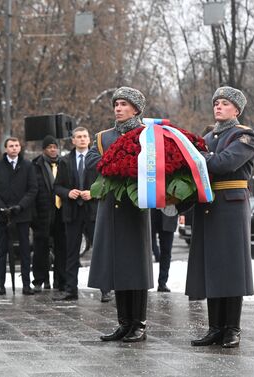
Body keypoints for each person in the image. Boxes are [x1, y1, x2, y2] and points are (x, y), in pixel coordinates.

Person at [186, 86, 254, 348]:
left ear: (236, 110)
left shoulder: (245, 135)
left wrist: (203, 157)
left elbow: (223, 163)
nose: (218, 107)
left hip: (231, 206)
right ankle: (215, 327)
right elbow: (204, 163)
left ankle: (232, 329)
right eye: (216, 103)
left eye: (225, 103)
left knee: (231, 268)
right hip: (209, 205)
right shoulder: (207, 137)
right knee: (212, 267)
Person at [86, 87, 153, 342]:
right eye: (116, 104)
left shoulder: (146, 135)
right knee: (117, 267)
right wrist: (115, 163)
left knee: (136, 267)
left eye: (124, 104)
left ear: (136, 109)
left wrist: (115, 165)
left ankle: (139, 324)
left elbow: (150, 164)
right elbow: (92, 161)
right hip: (110, 207)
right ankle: (124, 323)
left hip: (134, 207)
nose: (118, 108)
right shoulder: (104, 137)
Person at [53, 128, 100, 301]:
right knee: (71, 252)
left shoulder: (97, 159)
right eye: (78, 137)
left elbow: (105, 185)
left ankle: (105, 290)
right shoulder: (64, 161)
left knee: (99, 251)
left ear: (89, 139)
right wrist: (67, 193)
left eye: (85, 136)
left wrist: (93, 193)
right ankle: (70, 289)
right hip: (72, 212)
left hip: (92, 211)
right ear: (72, 140)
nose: (82, 139)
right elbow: (57, 186)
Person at [0, 137, 37, 295]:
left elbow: (32, 189)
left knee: (24, 251)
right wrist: (2, 207)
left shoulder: (28, 166)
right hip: (3, 216)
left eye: (16, 145)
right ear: (6, 148)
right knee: (1, 251)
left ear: (20, 148)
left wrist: (20, 206)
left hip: (22, 215)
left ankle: (26, 285)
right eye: (11, 146)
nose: (14, 148)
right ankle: (1, 285)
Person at [31, 135, 64, 292]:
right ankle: (40, 280)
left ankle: (59, 280)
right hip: (42, 213)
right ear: (44, 149)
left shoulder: (64, 164)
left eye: (55, 147)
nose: (53, 150)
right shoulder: (35, 165)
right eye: (50, 147)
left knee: (61, 248)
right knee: (40, 248)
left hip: (61, 212)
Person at [150, 209, 178, 292]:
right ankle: (144, 282)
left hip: (169, 213)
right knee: (145, 247)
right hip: (151, 211)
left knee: (166, 251)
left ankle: (162, 283)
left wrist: (178, 209)